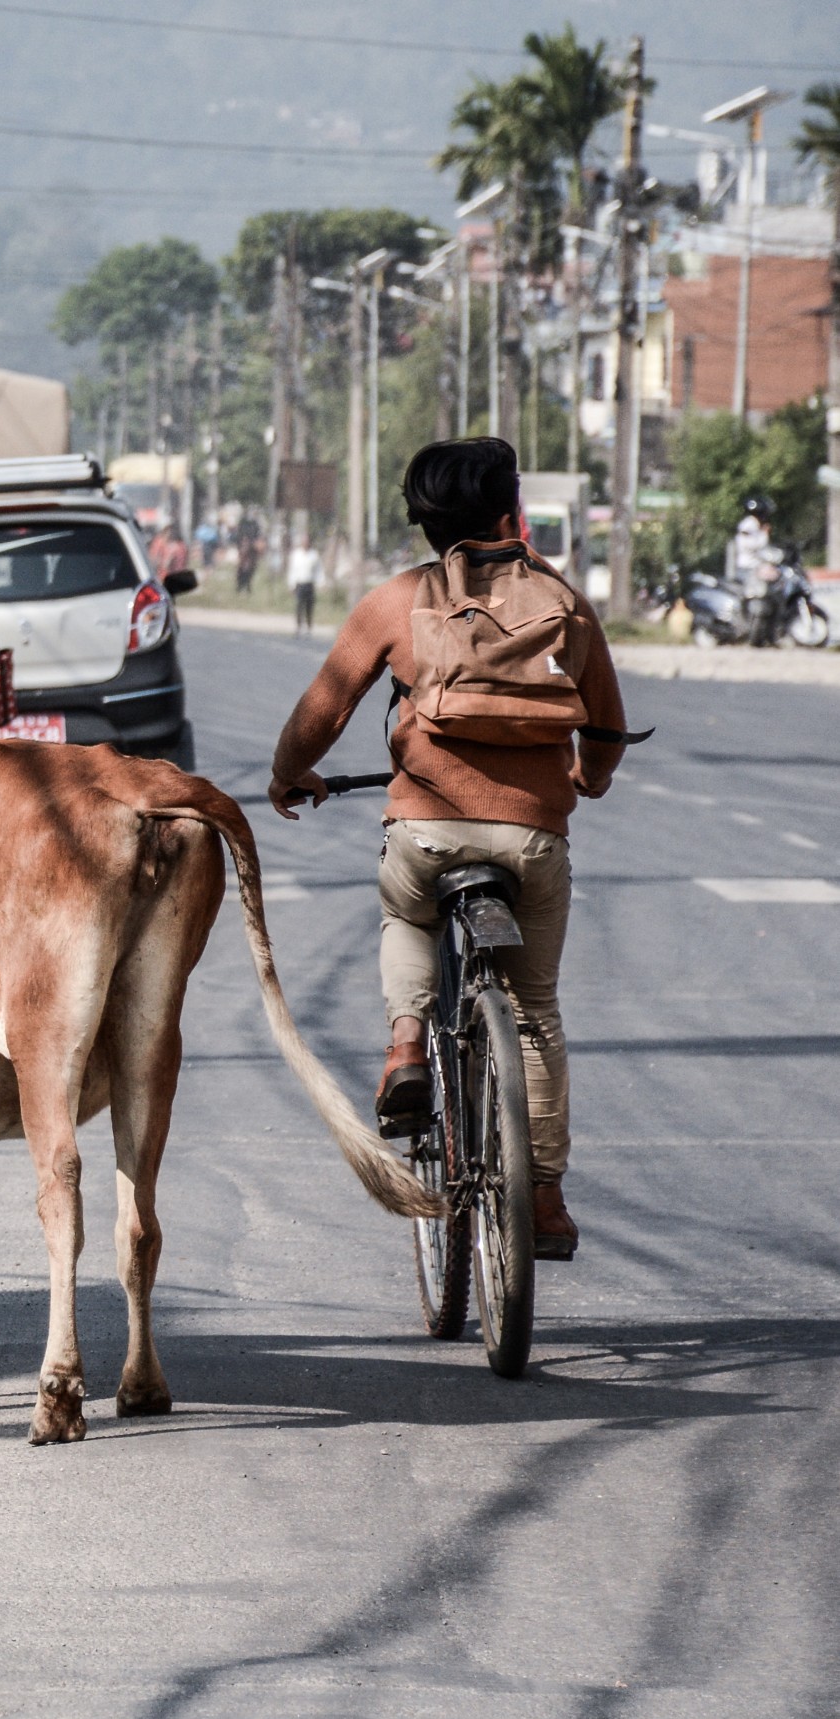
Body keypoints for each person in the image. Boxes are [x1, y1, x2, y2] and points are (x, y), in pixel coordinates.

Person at [267, 436, 631, 1260]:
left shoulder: (398, 602)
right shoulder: (564, 602)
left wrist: (291, 774)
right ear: (511, 515)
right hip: (533, 835)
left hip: (425, 831)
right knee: (532, 1011)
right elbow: (605, 725)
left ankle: (404, 1045)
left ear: (423, 524)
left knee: (407, 916)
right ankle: (541, 1199)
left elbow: (322, 709)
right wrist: (589, 776)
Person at [287, 533, 322, 632]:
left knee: (309, 607)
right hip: (300, 584)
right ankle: (298, 626)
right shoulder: (296, 555)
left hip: (309, 584)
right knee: (299, 605)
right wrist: (291, 584)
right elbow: (292, 570)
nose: (305, 543)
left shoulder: (314, 555)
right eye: (304, 541)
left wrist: (320, 582)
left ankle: (309, 627)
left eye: (307, 541)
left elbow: (318, 570)